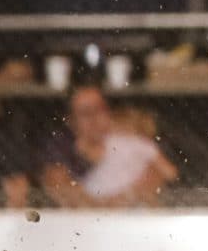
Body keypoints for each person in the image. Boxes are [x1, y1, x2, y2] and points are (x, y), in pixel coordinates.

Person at [39, 85, 177, 209]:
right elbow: (57, 186)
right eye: (85, 112)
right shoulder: (61, 148)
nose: (94, 118)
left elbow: (165, 174)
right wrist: (105, 206)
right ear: (70, 121)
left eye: (99, 109)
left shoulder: (130, 139)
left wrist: (132, 194)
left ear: (109, 112)